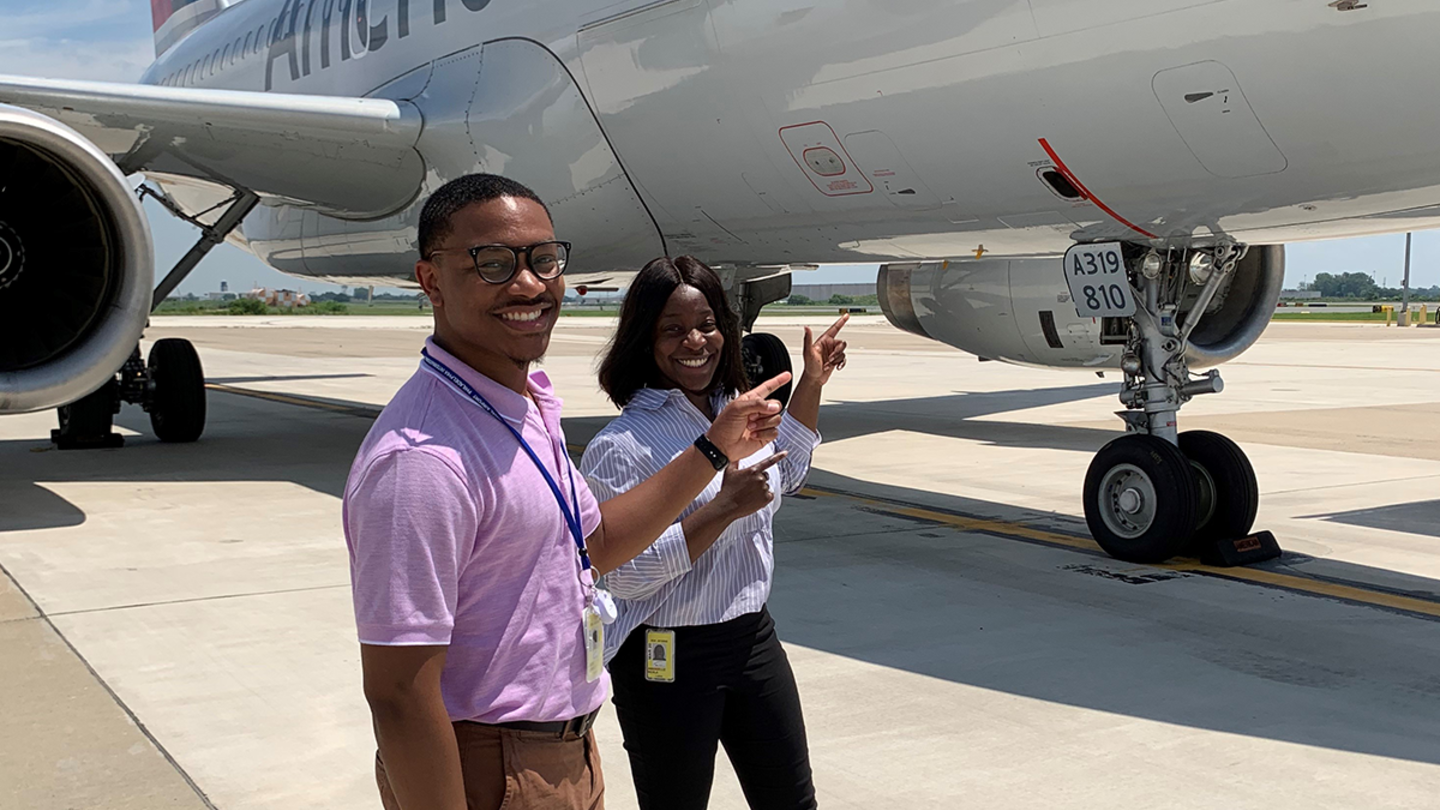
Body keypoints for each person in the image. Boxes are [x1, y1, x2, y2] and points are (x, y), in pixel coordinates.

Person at [342, 175, 791, 810]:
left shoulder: (520, 405)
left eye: (543, 260)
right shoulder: (421, 460)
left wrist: (713, 447)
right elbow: (398, 693)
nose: (528, 284)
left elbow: (595, 543)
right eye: (492, 263)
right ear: (432, 280)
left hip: (562, 751)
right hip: (493, 763)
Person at [581, 256, 849, 810]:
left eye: (706, 324)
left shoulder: (737, 409)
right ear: (645, 339)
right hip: (666, 657)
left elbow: (788, 472)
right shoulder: (622, 445)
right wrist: (723, 507)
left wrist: (812, 383)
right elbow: (625, 575)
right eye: (672, 329)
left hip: (752, 640)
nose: (694, 341)